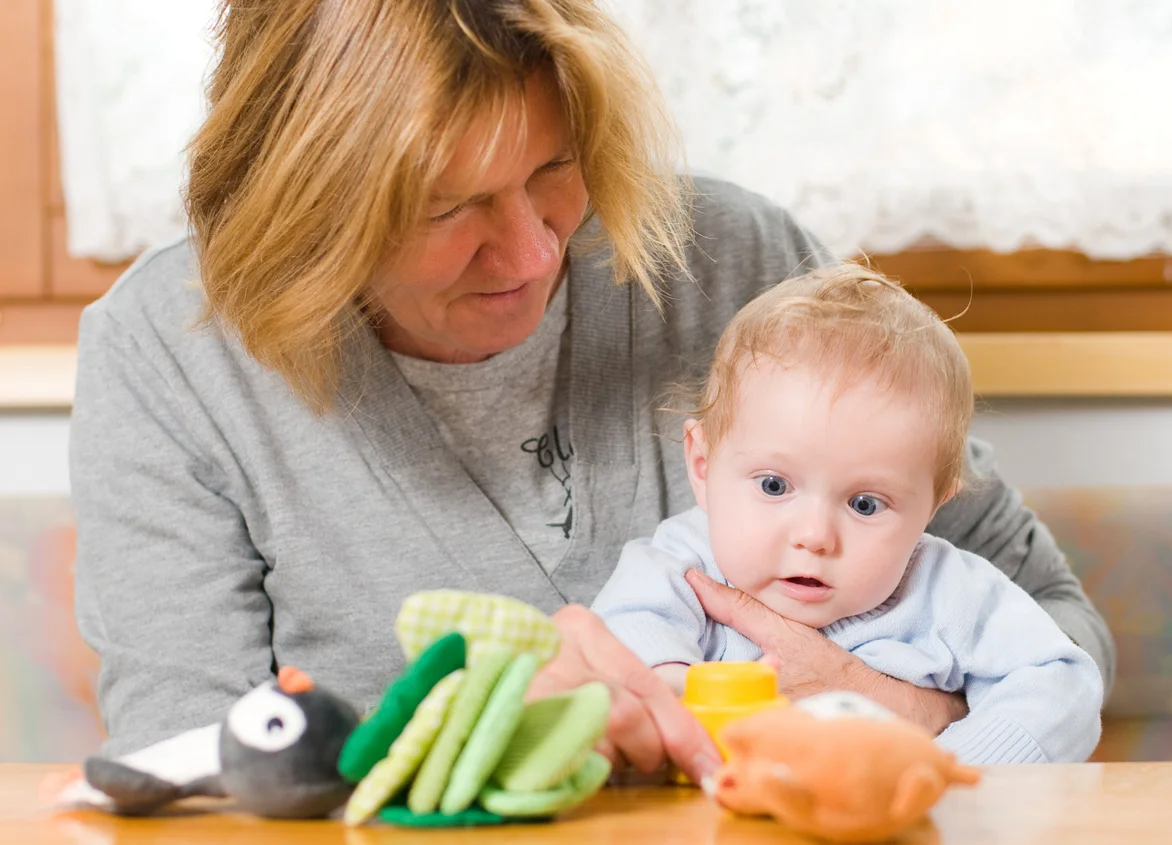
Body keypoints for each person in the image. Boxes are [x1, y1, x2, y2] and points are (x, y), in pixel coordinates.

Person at [70, 0, 1114, 784]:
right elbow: (185, 761)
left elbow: (1060, 630)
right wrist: (477, 736)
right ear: (309, 209)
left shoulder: (735, 261)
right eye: (449, 208)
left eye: (555, 167)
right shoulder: (171, 351)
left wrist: (880, 713)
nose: (530, 249)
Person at [590, 265, 1104, 764]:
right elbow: (626, 629)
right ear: (702, 465)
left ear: (933, 505)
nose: (814, 537)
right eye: (774, 486)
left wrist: (953, 769)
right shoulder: (682, 562)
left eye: (865, 504)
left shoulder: (946, 591)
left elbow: (1063, 682)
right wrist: (674, 685)